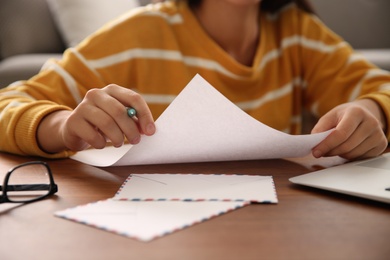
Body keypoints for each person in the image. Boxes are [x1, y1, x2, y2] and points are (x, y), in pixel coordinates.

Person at [0, 0, 389, 160]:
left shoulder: (298, 34)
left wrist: (373, 111)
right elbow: (7, 102)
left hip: (272, 224)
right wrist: (62, 126)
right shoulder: (138, 35)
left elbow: (380, 89)